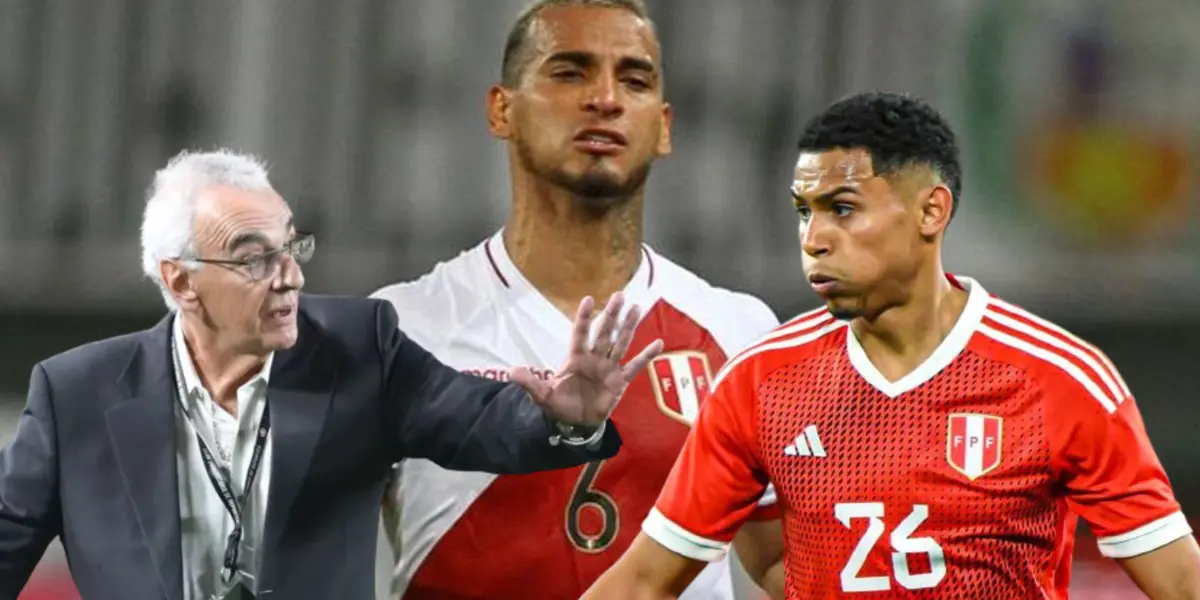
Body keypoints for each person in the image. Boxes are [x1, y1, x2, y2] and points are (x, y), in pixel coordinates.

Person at [582, 91, 1200, 599]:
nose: (814, 238)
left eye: (842, 208)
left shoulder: (1059, 380)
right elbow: (642, 582)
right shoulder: (759, 383)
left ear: (932, 211)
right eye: (804, 211)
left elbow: (1180, 580)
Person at [0, 148, 665, 600]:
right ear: (181, 281)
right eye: (252, 257)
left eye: (291, 245)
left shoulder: (357, 348)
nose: (290, 275)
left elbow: (478, 421)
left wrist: (564, 418)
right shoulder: (75, 394)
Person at [371, 1, 785, 598]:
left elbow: (779, 563)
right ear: (501, 109)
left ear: (664, 126)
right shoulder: (402, 329)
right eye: (570, 72)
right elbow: (307, 549)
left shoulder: (738, 331)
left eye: (634, 79)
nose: (606, 98)